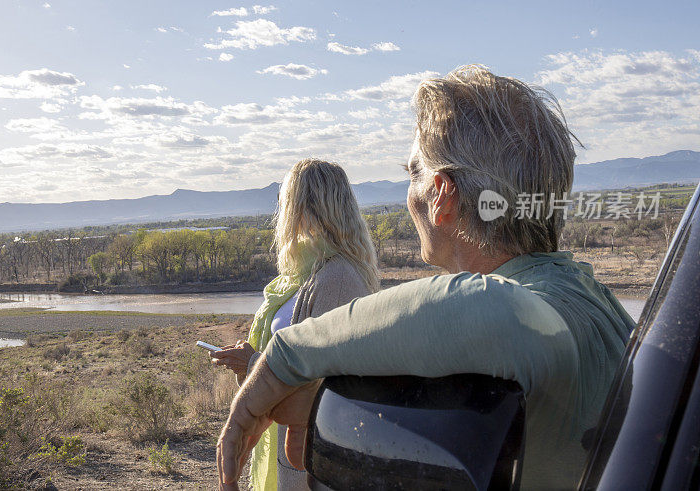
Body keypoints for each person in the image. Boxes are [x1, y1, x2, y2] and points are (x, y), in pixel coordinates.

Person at [217, 65, 636, 490]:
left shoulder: (532, 314)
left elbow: (493, 309)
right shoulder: (598, 303)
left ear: (441, 195)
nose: (408, 192)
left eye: (412, 172)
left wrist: (282, 361)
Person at [208, 158, 380, 491]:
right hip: (287, 434)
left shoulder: (338, 277)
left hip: (310, 452)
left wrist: (256, 364)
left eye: (286, 201)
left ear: (303, 206)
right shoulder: (309, 272)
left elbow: (326, 380)